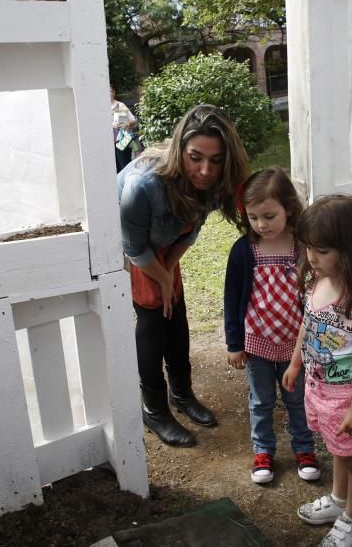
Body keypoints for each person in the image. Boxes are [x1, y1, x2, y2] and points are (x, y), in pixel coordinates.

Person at [117, 104, 249, 447]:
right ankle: (154, 408)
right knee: (153, 315)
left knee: (175, 314)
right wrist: (160, 278)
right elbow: (133, 248)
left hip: (165, 245)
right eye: (196, 157)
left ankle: (182, 394)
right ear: (180, 151)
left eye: (216, 160)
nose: (205, 170)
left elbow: (190, 231)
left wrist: (169, 271)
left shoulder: (213, 181)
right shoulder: (141, 187)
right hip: (136, 247)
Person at [283, 194, 352, 547]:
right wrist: (296, 362)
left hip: (345, 395)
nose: (312, 257)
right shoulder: (317, 282)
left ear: (349, 247)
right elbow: (307, 325)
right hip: (317, 386)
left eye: (322, 250)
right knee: (336, 450)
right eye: (308, 247)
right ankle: (339, 499)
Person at [224, 167, 320, 485]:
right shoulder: (243, 251)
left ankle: (305, 449)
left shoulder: (304, 247)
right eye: (253, 217)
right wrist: (234, 343)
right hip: (257, 343)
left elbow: (317, 293)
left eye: (269, 216)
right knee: (261, 401)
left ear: (288, 209)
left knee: (297, 399)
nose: (261, 225)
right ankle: (263, 451)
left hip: (297, 345)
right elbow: (232, 297)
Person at [111, 86, 138, 171]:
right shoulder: (100, 108)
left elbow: (133, 120)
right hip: (107, 143)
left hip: (121, 141)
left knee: (125, 166)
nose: (108, 94)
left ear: (114, 92)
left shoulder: (120, 105)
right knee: (114, 169)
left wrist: (126, 124)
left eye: (110, 91)